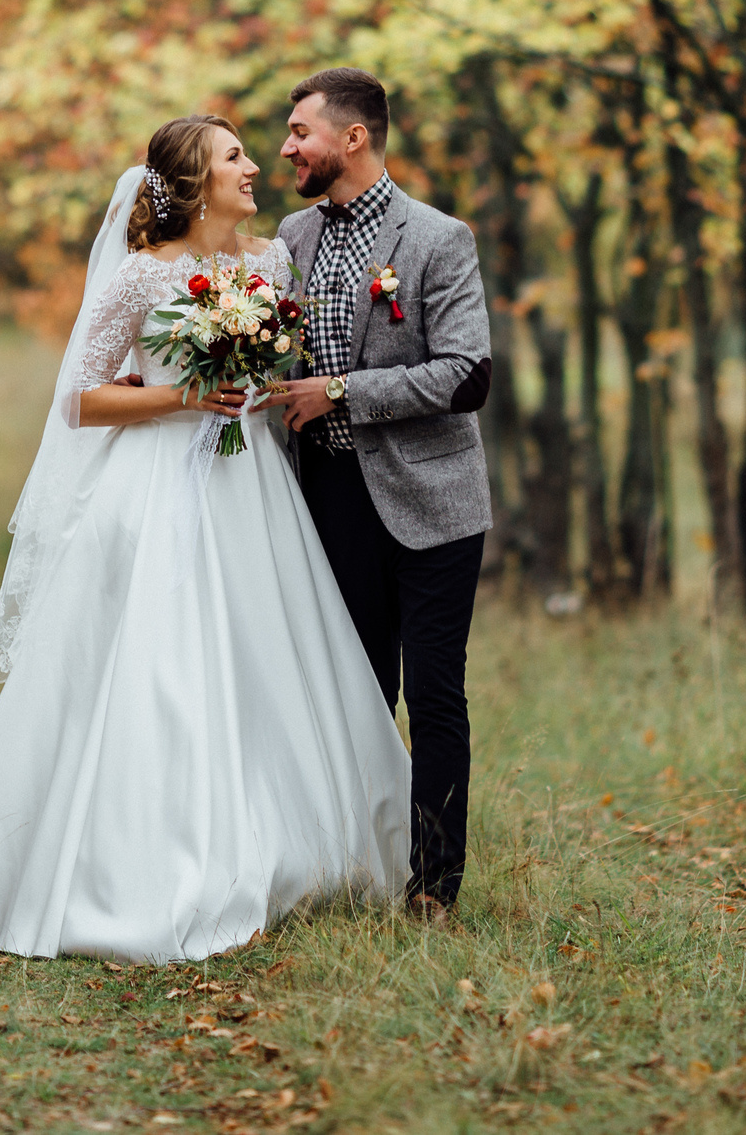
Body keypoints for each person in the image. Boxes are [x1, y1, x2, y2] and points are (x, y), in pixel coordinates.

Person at [0, 116, 411, 962]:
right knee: (165, 663)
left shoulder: (270, 262)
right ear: (193, 182)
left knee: (264, 654)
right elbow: (82, 400)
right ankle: (146, 863)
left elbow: (274, 370)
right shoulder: (141, 276)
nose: (254, 167)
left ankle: (295, 844)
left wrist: (262, 380)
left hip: (251, 483)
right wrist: (181, 397)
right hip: (159, 490)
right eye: (235, 157)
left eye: (250, 152)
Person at [274, 68, 494, 921]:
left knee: (434, 691)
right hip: (326, 499)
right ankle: (353, 865)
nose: (288, 147)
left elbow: (467, 374)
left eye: (301, 131)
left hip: (433, 501)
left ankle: (434, 886)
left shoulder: (439, 238)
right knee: (355, 690)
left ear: (353, 137)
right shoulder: (288, 237)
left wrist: (342, 391)